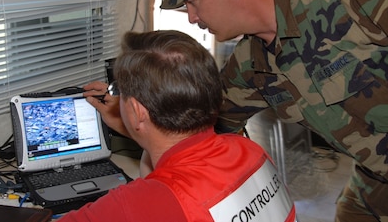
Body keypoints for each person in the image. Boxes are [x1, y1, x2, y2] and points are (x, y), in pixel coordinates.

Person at [159, 0, 388, 221]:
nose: (192, 17)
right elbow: (204, 130)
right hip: (375, 176)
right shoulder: (249, 66)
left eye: (193, 2)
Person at [58, 30, 296, 222]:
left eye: (121, 94)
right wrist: (132, 124)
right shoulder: (250, 150)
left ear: (138, 111)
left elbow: (160, 196)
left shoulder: (142, 203)